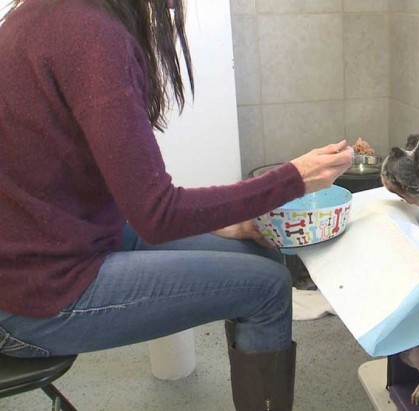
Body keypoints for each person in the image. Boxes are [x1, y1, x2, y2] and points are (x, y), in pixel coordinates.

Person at [0, 0, 353, 409]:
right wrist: (292, 179)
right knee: (269, 288)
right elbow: (157, 214)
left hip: (52, 250)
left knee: (262, 256)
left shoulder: (46, 14)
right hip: (34, 298)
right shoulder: (90, 34)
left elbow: (127, 192)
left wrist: (224, 224)